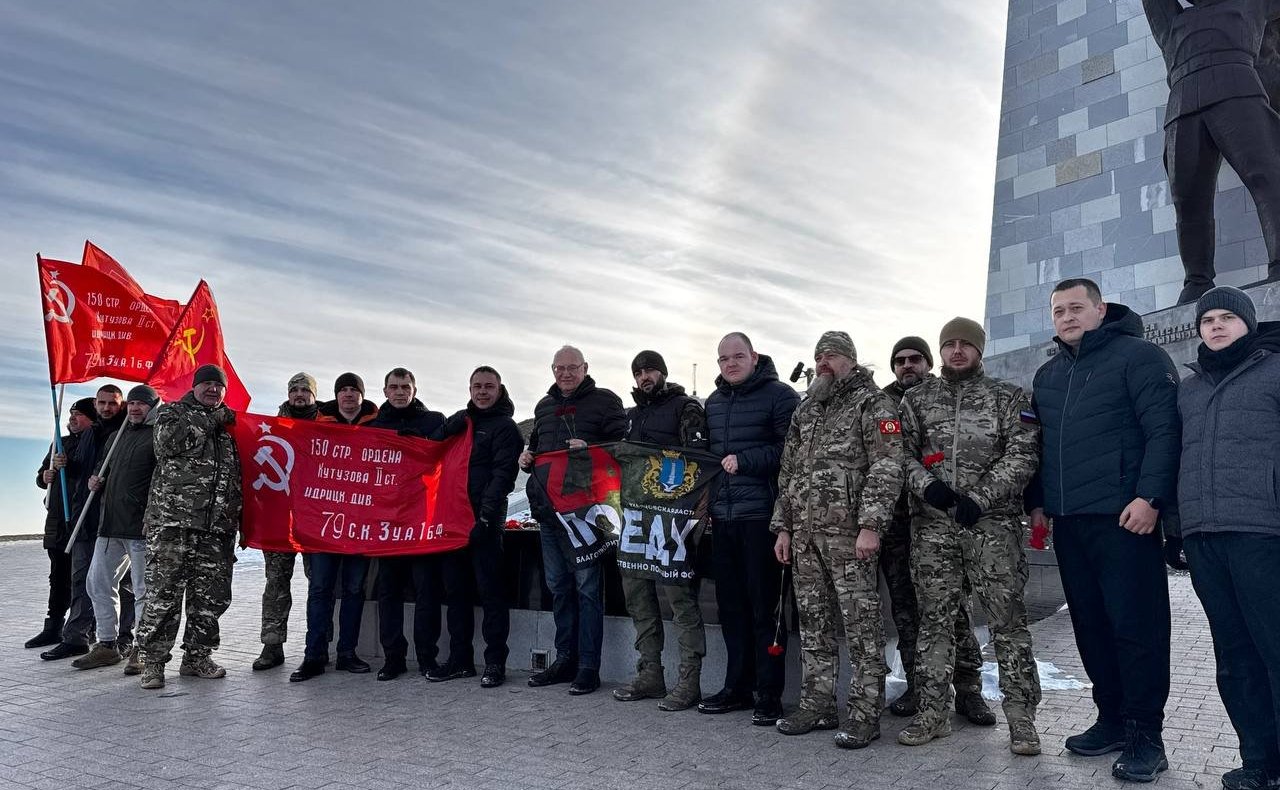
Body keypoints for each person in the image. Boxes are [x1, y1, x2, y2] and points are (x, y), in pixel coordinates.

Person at [1027, 278, 1180, 782]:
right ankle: (1111, 719)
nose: (1067, 317)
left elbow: (1165, 430)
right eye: (1058, 311)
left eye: (1076, 308)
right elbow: (1039, 446)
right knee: (1091, 628)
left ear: (1100, 309)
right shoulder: (1048, 375)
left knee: (1137, 629)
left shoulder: (1139, 357)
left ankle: (1145, 735)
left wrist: (1150, 497)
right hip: (1070, 523)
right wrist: (1038, 503)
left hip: (1125, 518)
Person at [897, 319, 1042, 755]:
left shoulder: (1007, 397)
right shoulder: (916, 400)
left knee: (1008, 623)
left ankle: (1021, 720)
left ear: (979, 350)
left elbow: (1023, 454)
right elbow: (898, 454)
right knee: (935, 622)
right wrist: (928, 487)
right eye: (950, 344)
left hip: (992, 528)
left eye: (966, 344)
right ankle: (933, 713)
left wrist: (980, 498)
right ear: (941, 351)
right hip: (933, 529)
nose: (957, 351)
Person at [770, 332, 904, 749]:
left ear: (851, 359)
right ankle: (818, 705)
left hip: (850, 538)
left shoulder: (874, 403)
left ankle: (865, 713)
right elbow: (788, 471)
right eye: (818, 356)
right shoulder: (806, 409)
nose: (822, 362)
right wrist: (783, 527)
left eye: (831, 355)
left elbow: (887, 465)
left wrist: (872, 525)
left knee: (862, 626)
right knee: (814, 624)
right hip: (805, 537)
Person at [1177, 287, 1280, 790]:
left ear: (1248, 323)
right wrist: (1175, 527)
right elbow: (1175, 457)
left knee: (1275, 648)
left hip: (1264, 533)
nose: (1216, 326)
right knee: (1234, 657)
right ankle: (1259, 762)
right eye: (1207, 320)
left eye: (1226, 317)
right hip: (1204, 537)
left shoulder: (1275, 371)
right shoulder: (1189, 388)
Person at [880, 337, 988, 723]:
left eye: (915, 359)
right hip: (897, 524)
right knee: (907, 611)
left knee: (954, 609)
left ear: (928, 362)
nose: (907, 366)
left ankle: (969, 689)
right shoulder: (881, 404)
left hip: (940, 521)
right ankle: (919, 684)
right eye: (900, 361)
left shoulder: (942, 397)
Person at [1142, 0, 1280, 302]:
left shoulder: (1249, 4)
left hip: (1237, 90)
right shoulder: (1173, 23)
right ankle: (1196, 280)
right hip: (1181, 108)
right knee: (1188, 199)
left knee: (1268, 177)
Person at [699, 332, 800, 726]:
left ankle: (769, 694)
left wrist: (746, 460)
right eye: (724, 358)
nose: (730, 364)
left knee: (765, 610)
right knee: (731, 609)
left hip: (763, 518)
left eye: (738, 356)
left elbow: (791, 451)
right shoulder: (714, 402)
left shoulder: (781, 396)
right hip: (723, 519)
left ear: (754, 357)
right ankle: (737, 687)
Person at [520, 345, 627, 695]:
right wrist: (527, 458)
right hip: (549, 515)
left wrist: (592, 448)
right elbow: (538, 447)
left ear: (585, 368)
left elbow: (625, 448)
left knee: (587, 591)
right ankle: (565, 659)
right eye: (559, 368)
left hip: (586, 516)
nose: (565, 374)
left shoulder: (606, 401)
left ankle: (588, 667)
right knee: (559, 589)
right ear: (552, 370)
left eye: (572, 367)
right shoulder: (543, 406)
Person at [612, 350, 709, 712]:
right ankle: (650, 674)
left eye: (651, 369)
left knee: (682, 603)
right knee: (638, 601)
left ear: (663, 373)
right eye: (638, 372)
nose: (644, 376)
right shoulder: (631, 416)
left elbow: (699, 461)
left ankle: (689, 681)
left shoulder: (686, 408)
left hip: (672, 522)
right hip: (637, 523)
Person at [136, 365, 243, 690]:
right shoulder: (172, 413)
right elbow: (168, 444)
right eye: (207, 383)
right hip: (173, 525)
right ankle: (153, 663)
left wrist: (238, 522)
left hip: (217, 528)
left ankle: (197, 657)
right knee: (163, 596)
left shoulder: (230, 428)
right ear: (194, 387)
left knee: (210, 598)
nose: (213, 389)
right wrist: (212, 419)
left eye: (218, 385)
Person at [429, 366, 523, 688]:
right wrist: (447, 428)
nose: (483, 392)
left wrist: (485, 517)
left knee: (491, 592)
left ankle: (495, 662)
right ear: (470, 390)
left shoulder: (506, 428)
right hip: (453, 520)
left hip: (485, 519)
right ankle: (460, 660)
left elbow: (503, 476)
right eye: (477, 386)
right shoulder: (462, 422)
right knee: (456, 592)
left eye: (489, 386)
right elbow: (429, 452)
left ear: (499, 389)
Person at [291, 372, 379, 682]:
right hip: (323, 524)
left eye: (354, 389)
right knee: (320, 589)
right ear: (337, 395)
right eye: (343, 390)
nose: (349, 394)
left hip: (359, 524)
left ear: (362, 395)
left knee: (354, 589)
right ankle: (314, 655)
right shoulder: (317, 424)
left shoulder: (377, 426)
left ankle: (347, 653)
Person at [41, 384, 135, 661]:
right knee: (82, 579)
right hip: (84, 519)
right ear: (96, 405)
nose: (107, 408)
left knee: (122, 584)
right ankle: (76, 637)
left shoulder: (129, 431)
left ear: (121, 404)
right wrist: (66, 466)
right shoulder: (89, 434)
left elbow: (132, 473)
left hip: (117, 521)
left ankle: (124, 638)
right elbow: (82, 474)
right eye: (102, 403)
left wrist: (106, 483)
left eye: (112, 403)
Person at [75, 385, 161, 674]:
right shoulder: (116, 437)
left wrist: (153, 514)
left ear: (153, 407)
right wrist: (95, 481)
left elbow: (164, 480)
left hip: (141, 527)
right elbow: (102, 470)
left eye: (142, 404)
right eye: (132, 403)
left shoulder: (159, 435)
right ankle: (107, 645)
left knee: (143, 590)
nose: (135, 408)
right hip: (109, 524)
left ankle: (143, 649)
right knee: (97, 583)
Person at [366, 368, 446, 682]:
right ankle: (393, 658)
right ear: (385, 391)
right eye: (394, 387)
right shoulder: (373, 428)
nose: (400, 392)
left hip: (422, 524)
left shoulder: (433, 422)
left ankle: (427, 657)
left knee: (427, 592)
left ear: (414, 390)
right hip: (387, 525)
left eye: (405, 387)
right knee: (389, 594)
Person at [253, 372, 321, 671]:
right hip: (280, 521)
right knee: (276, 584)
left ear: (314, 395)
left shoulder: (327, 428)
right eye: (294, 389)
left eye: (305, 390)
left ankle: (320, 644)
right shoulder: (273, 429)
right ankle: (272, 645)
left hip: (315, 521)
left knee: (319, 585)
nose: (299, 394)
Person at [26, 399, 93, 649]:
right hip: (56, 520)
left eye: (79, 414)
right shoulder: (59, 442)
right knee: (58, 577)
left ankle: (84, 628)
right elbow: (42, 477)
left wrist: (70, 466)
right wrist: (45, 476)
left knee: (82, 578)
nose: (73, 418)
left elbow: (89, 473)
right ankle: (53, 626)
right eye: (72, 413)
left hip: (79, 519)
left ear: (91, 419)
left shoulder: (95, 441)